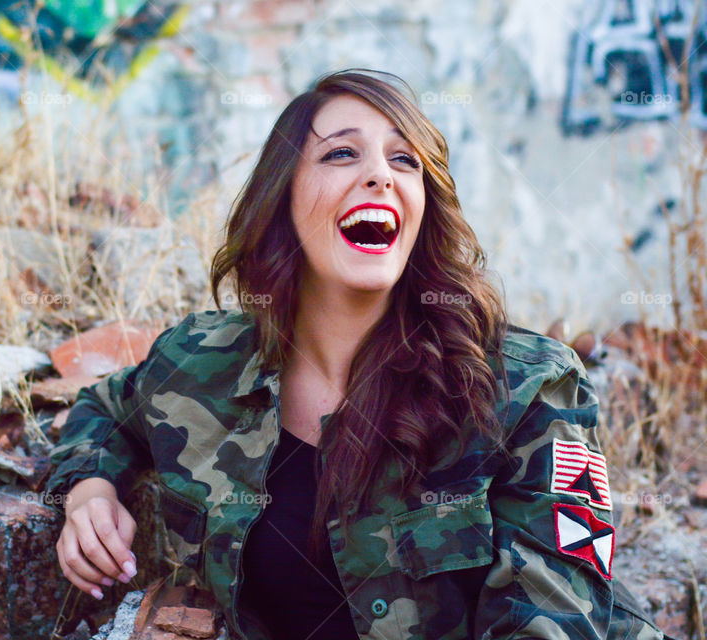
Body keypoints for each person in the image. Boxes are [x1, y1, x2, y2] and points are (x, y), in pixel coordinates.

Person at [46, 69, 668, 640]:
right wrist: (90, 491)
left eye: (405, 159)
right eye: (342, 153)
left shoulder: (528, 387)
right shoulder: (202, 359)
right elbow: (105, 406)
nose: (381, 174)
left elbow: (558, 621)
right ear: (282, 197)